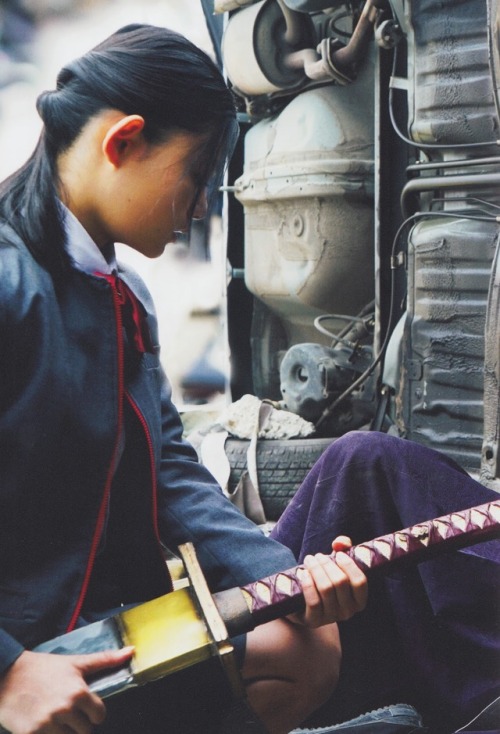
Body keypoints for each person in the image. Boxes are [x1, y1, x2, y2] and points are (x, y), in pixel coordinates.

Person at [0, 23, 367, 734]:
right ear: (123, 143)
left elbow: (168, 468)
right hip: (22, 648)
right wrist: (11, 669)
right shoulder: (11, 285)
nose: (200, 207)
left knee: (303, 644)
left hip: (111, 627)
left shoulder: (123, 298)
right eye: (197, 174)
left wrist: (286, 579)